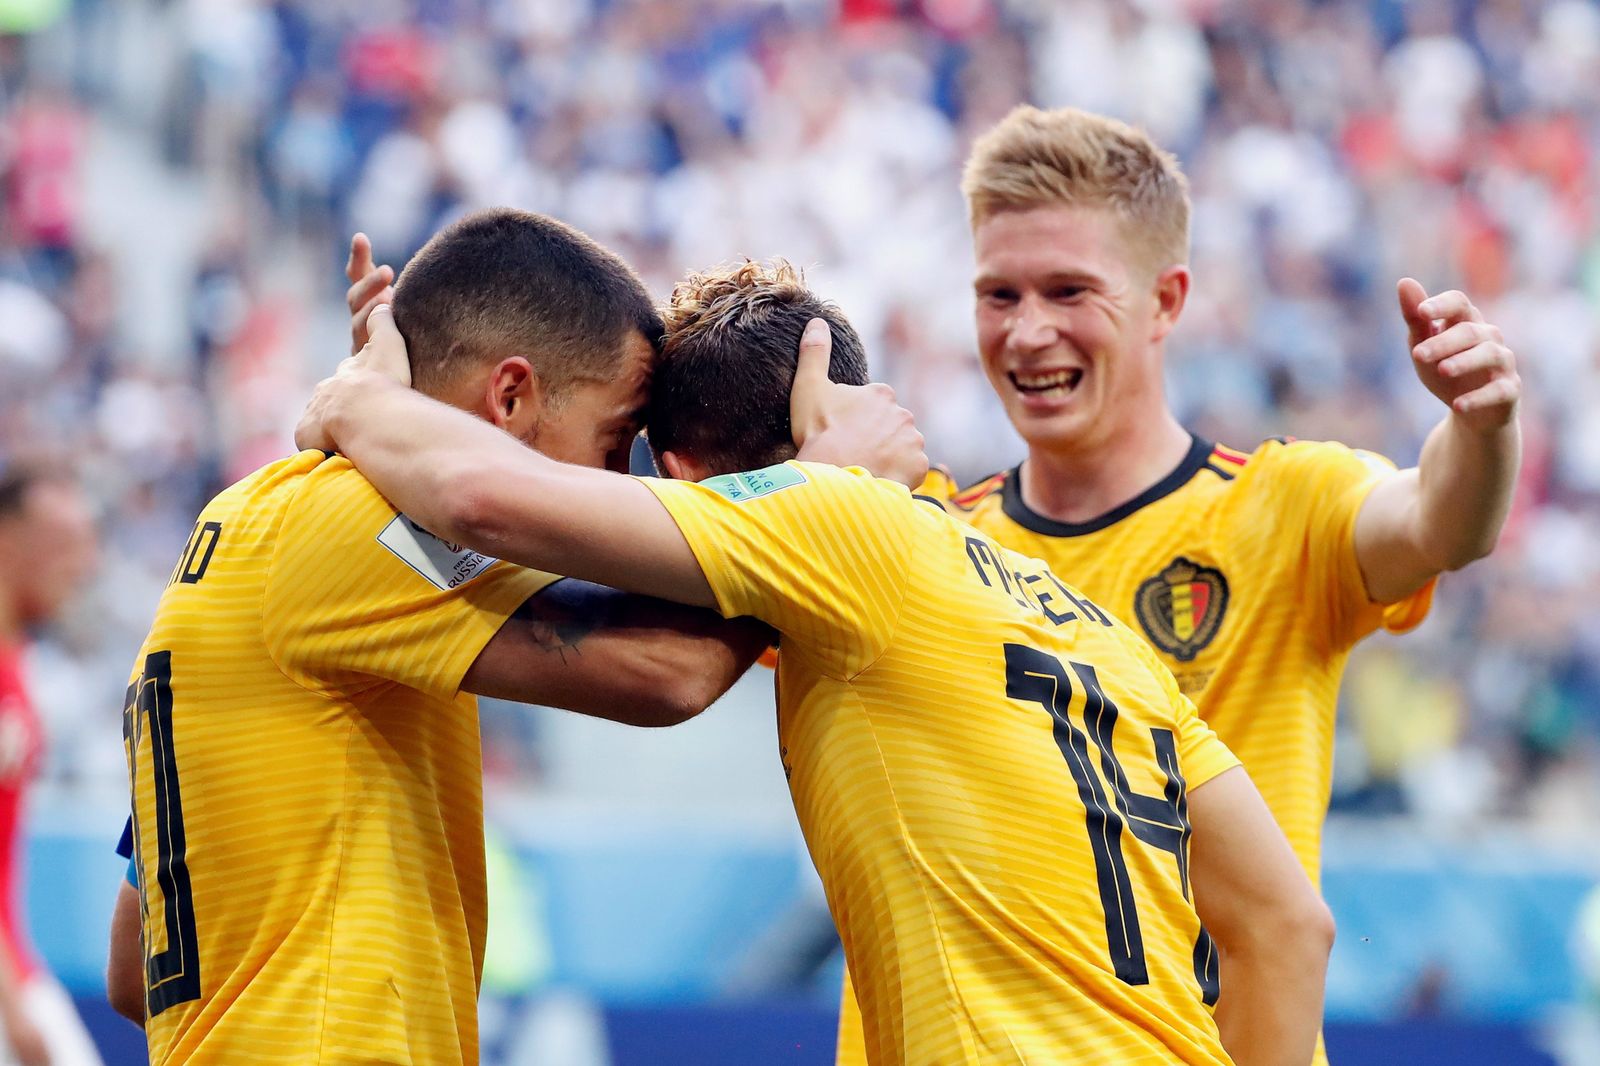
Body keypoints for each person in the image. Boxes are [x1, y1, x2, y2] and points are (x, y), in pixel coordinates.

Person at [297, 260, 1336, 1066]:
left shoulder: (834, 529)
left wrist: (357, 399)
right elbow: (1290, 924)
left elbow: (478, 499)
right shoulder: (1092, 628)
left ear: (681, 477)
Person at [115, 209, 916, 1064]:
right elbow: (669, 669)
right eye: (615, 440)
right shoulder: (351, 518)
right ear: (509, 397)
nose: (621, 483)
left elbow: (132, 970)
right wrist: (826, 494)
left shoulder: (262, 525)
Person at [817, 104, 1521, 1066]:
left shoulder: (1282, 507)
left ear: (1166, 300)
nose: (1027, 332)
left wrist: (1482, 428)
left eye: (1069, 291)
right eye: (999, 295)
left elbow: (1442, 520)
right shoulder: (916, 537)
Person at [0, 464, 105, 1066]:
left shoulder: (18, 660)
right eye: (65, 544)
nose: (84, 566)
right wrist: (14, 1008)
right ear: (9, 540)